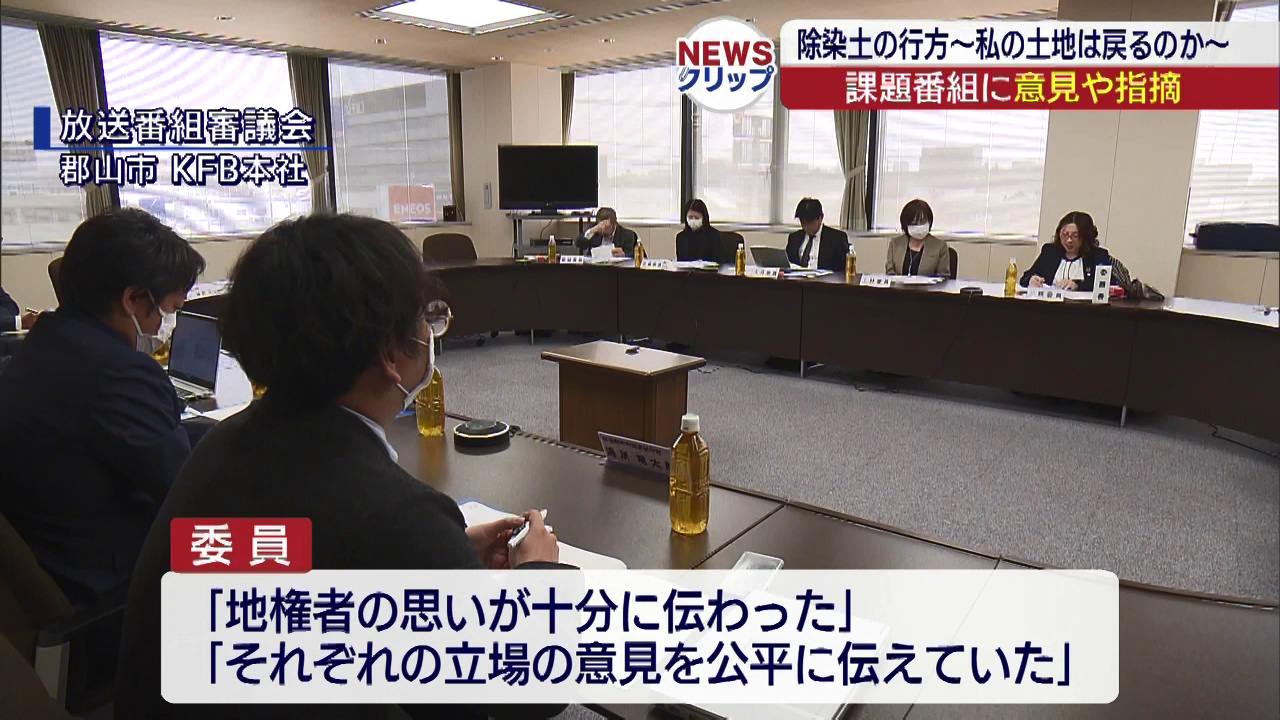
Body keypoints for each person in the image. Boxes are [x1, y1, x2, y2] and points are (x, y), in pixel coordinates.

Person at [114, 214, 567, 720]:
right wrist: (538, 573)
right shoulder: (396, 515)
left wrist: (445, 554)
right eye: (425, 317)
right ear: (391, 352)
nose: (430, 332)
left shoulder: (223, 444)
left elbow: (296, 550)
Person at [0, 208, 205, 609]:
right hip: (112, 589)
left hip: (54, 554)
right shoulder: (120, 374)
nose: (164, 326)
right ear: (132, 298)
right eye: (170, 310)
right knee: (290, 544)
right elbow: (188, 495)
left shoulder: (43, 342)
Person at [1022, 211, 1113, 290]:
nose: (1069, 240)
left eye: (1075, 236)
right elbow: (1025, 277)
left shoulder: (1098, 255)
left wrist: (1077, 285)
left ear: (1085, 237)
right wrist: (1031, 280)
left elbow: (1107, 285)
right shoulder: (1050, 252)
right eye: (1065, 235)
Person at [885, 199, 952, 278]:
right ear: (906, 224)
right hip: (899, 286)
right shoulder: (895, 244)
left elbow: (943, 276)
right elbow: (890, 272)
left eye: (923, 221)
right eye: (914, 223)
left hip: (927, 286)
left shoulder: (940, 247)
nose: (919, 226)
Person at [786, 198, 849, 272]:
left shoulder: (837, 239)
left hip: (825, 279)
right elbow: (786, 263)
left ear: (821, 218)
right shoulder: (794, 238)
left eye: (810, 222)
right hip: (796, 278)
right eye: (803, 223)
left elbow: (842, 270)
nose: (806, 227)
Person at [675, 198, 723, 263]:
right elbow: (680, 262)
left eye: (697, 217)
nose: (693, 220)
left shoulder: (714, 235)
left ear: (704, 218)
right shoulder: (681, 237)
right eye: (690, 217)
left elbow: (719, 261)